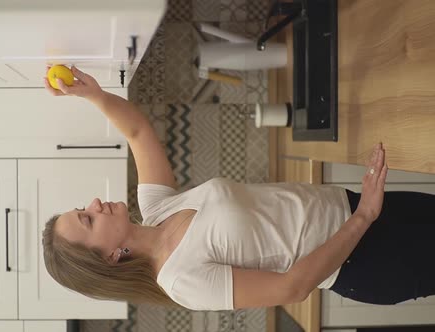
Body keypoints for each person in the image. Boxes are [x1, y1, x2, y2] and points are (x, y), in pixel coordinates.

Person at [41, 66, 435, 311]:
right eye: (88, 219)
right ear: (109, 258)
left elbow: (138, 131)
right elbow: (292, 287)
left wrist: (92, 95)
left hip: (353, 204)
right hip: (365, 259)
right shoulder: (182, 282)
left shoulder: (158, 207)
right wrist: (365, 216)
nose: (95, 203)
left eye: (83, 207)